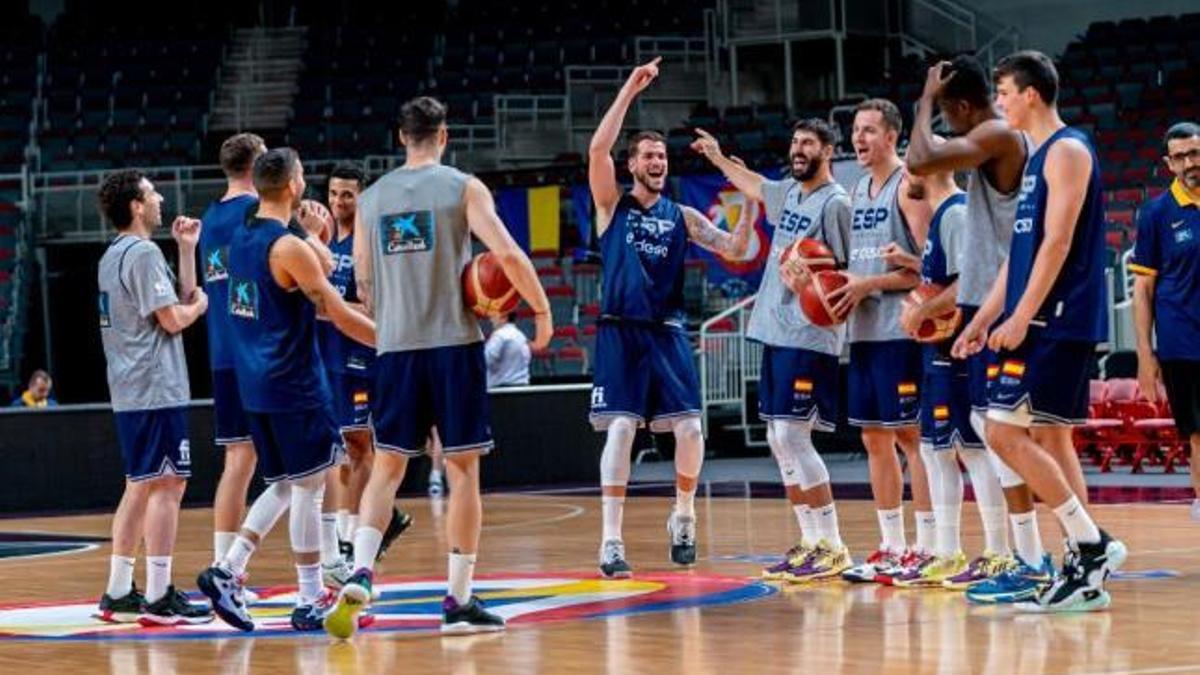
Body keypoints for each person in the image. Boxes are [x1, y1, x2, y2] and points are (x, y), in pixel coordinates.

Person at [324, 96, 552, 638]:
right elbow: (510, 256)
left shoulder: (372, 198)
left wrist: (394, 314)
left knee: (387, 468)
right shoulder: (463, 187)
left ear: (401, 137)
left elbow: (361, 284)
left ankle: (360, 567)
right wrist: (540, 309)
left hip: (396, 348)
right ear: (444, 135)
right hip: (453, 343)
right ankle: (458, 600)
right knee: (463, 469)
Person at [955, 50, 1126, 612]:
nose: (998, 101)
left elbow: (1057, 243)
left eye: (1003, 91)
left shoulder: (1068, 150)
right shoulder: (1032, 162)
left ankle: (1091, 544)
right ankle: (1086, 560)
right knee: (1049, 437)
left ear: (1030, 94)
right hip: (1037, 313)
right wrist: (983, 318)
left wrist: (1021, 316)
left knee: (1000, 431)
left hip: (1058, 317)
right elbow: (1020, 252)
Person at [196, 148, 377, 632]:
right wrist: (394, 342)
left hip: (253, 382)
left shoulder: (239, 237)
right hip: (294, 382)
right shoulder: (287, 246)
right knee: (310, 490)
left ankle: (227, 569)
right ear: (295, 184)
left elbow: (292, 300)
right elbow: (335, 310)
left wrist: (309, 234)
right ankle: (311, 594)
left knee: (281, 484)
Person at [587, 58, 752, 580]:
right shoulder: (612, 206)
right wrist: (629, 90)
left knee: (690, 427)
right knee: (619, 428)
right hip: (620, 329)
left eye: (662, 155)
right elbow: (596, 149)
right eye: (648, 155)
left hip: (668, 331)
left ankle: (683, 515)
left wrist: (748, 205)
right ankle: (611, 541)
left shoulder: (682, 216)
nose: (658, 161)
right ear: (632, 164)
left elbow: (737, 250)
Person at [906, 55, 1050, 600]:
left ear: (961, 106)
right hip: (992, 301)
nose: (946, 123)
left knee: (1007, 435)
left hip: (1009, 300)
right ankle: (1031, 557)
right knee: (997, 430)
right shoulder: (993, 135)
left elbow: (920, 160)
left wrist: (922, 101)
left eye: (947, 113)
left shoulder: (994, 132)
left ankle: (1055, 552)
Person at [690, 118, 854, 582]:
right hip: (776, 330)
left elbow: (847, 272)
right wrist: (718, 157)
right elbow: (757, 185)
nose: (798, 149)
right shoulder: (790, 194)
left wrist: (817, 279)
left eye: (808, 143)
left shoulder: (836, 203)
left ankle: (834, 545)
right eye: (795, 141)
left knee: (793, 437)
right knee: (777, 439)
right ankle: (810, 542)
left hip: (809, 332)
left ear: (828, 150)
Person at [884, 152, 1007, 589]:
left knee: (971, 450)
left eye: (909, 167)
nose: (904, 176)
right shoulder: (942, 217)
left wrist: (922, 312)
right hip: (936, 352)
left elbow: (964, 286)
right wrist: (916, 272)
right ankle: (946, 550)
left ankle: (998, 551)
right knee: (937, 451)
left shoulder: (955, 213)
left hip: (955, 350)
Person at [95, 169, 212, 625]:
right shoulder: (142, 253)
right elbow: (174, 318)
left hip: (130, 387)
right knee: (169, 485)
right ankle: (161, 595)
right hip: (154, 386)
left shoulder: (114, 255)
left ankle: (119, 590)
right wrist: (200, 308)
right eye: (151, 192)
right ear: (136, 206)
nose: (160, 197)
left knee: (141, 485)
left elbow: (176, 298)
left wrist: (186, 251)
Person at [828, 99, 936, 585]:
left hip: (904, 327)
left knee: (912, 437)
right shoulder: (857, 189)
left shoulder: (907, 187)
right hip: (866, 332)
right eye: (855, 130)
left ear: (892, 136)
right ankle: (892, 543)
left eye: (869, 130)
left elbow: (934, 263)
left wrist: (870, 283)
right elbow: (863, 265)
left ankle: (928, 545)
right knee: (874, 437)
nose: (859, 138)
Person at [318, 162, 412, 584]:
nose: (339, 202)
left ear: (362, 197)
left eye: (348, 194)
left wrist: (329, 308)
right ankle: (379, 518)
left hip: (361, 354)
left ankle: (351, 536)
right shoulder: (324, 237)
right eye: (334, 194)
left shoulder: (369, 239)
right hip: (327, 355)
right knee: (338, 449)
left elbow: (379, 308)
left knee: (358, 446)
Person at [201, 133, 266, 580]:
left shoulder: (208, 217)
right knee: (304, 468)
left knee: (238, 462)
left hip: (223, 352)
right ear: (258, 165)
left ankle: (222, 564)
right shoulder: (256, 214)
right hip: (262, 352)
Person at [1130, 121, 1200, 522]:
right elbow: (1143, 290)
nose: (1190, 162)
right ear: (1168, 163)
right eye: (1181, 157)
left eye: (1195, 153)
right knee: (1197, 434)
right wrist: (1145, 355)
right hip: (1183, 343)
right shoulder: (1156, 213)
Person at [484, 312, 531, 388]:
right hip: (522, 388)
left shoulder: (499, 335)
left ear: (504, 317)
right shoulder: (521, 335)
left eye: (494, 315)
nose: (491, 319)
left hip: (501, 391)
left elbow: (486, 360)